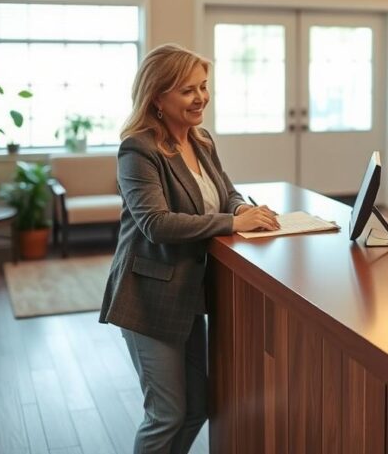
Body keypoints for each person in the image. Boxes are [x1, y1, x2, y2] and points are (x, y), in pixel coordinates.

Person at [100, 43, 279, 454]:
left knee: (197, 408)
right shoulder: (138, 149)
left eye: (203, 86)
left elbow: (226, 192)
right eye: (187, 90)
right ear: (158, 96)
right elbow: (155, 223)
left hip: (187, 295)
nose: (201, 98)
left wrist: (247, 210)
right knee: (166, 415)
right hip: (147, 297)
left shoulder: (201, 140)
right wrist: (234, 222)